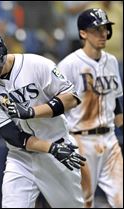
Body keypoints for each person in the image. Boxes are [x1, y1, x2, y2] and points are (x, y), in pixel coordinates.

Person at [0, 31, 86, 208]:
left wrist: (31, 112)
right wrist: (50, 148)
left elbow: (72, 98)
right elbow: (13, 136)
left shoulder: (37, 64)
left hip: (59, 150)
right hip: (21, 157)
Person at [58, 8, 123, 208]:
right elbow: (57, 104)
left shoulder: (111, 61)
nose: (103, 34)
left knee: (121, 199)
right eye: (96, 29)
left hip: (109, 138)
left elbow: (117, 101)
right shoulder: (68, 64)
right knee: (84, 201)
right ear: (83, 33)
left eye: (105, 29)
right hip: (80, 139)